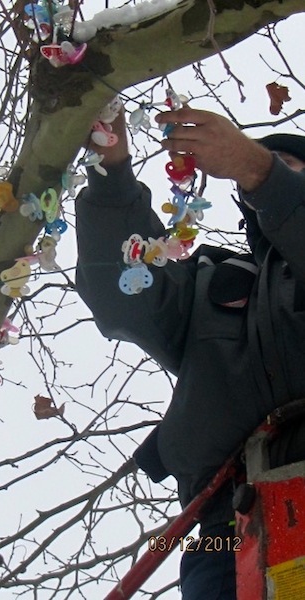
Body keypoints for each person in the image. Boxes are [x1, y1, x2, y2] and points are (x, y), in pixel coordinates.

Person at [75, 105, 305, 599]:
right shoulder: (216, 282)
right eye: (266, 166)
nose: (268, 174)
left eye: (288, 167)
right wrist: (111, 174)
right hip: (228, 529)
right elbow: (127, 296)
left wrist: (257, 168)